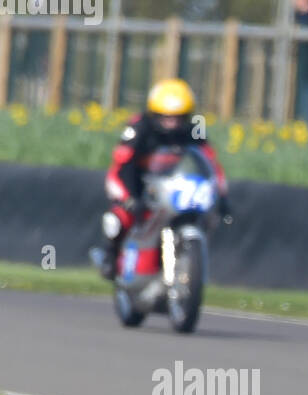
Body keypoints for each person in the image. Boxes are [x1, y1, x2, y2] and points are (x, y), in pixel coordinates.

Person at [95, 78, 229, 282]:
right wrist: (131, 199)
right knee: (120, 218)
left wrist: (221, 196)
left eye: (177, 118)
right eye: (166, 118)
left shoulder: (194, 131)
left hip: (171, 187)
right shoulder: (139, 128)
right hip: (136, 183)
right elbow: (123, 166)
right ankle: (110, 256)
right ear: (154, 114)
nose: (172, 123)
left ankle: (183, 263)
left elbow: (209, 163)